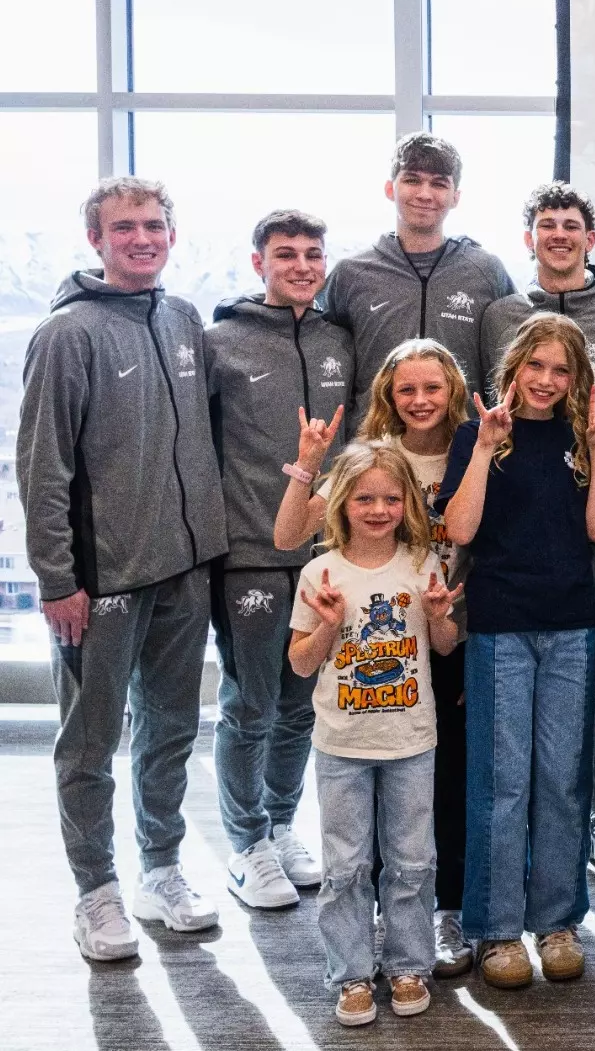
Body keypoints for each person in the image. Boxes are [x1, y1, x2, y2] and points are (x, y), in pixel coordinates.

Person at [25, 177, 230, 960]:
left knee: (172, 730)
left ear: (171, 236)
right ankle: (95, 891)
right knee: (89, 743)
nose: (141, 238)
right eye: (124, 228)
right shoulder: (67, 334)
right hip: (101, 581)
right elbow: (42, 469)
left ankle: (161, 869)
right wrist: (57, 580)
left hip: (183, 569)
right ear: (97, 240)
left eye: (153, 225)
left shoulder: (180, 319)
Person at [275, 338, 475, 976]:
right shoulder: (373, 462)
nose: (420, 401)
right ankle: (376, 928)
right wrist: (308, 464)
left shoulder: (476, 449)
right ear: (389, 395)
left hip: (443, 624)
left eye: (432, 388)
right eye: (406, 389)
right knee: (369, 794)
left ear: (454, 392)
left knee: (438, 785)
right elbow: (288, 535)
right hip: (370, 634)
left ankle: (439, 914)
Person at [438, 314, 595, 989]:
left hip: (571, 624)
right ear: (513, 368)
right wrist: (487, 447)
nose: (546, 381)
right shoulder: (477, 433)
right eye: (535, 367)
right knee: (503, 780)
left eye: (560, 370)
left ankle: (557, 921)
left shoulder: (585, 439)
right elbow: (460, 527)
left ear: (575, 379)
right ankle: (495, 929)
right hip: (500, 626)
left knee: (562, 779)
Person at [480, 182, 595, 885]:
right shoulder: (499, 315)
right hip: (519, 527)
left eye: (571, 224)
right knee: (523, 689)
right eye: (546, 224)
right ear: (529, 238)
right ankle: (531, 823)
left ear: (590, 238)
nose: (558, 233)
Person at [206, 208, 353, 910]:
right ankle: (245, 843)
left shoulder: (339, 342)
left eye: (312, 254)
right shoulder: (221, 343)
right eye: (285, 253)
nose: (300, 265)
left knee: (300, 706)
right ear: (258, 261)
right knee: (252, 704)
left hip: (326, 554)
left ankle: (281, 825)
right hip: (250, 555)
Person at [287, 442, 459, 1027]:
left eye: (391, 498)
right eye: (365, 497)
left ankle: (410, 964)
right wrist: (329, 626)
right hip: (340, 746)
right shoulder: (320, 571)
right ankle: (352, 973)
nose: (379, 509)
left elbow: (443, 646)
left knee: (413, 860)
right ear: (342, 501)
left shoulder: (421, 565)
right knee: (345, 867)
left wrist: (439, 617)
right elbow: (301, 663)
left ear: (409, 502)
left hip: (411, 741)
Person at [322, 132, 514, 428]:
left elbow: (520, 347)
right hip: (375, 449)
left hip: (462, 447)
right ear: (390, 188)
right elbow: (306, 340)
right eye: (412, 180)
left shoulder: (485, 271)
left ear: (456, 197)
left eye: (439, 183)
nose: (425, 194)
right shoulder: (351, 274)